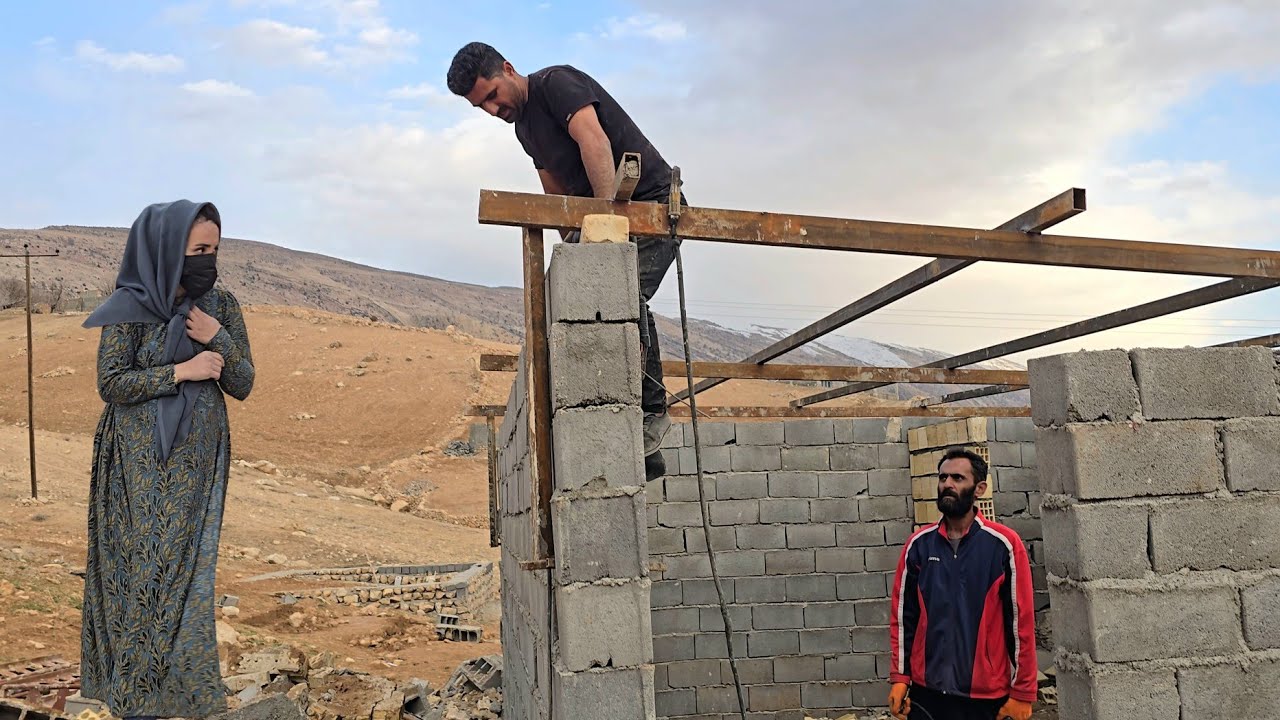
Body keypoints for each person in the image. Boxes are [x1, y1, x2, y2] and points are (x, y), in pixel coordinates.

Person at [446, 41, 679, 458]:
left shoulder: (556, 84)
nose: (493, 111)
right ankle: (648, 449)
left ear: (508, 68)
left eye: (493, 96)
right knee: (601, 298)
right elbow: (553, 193)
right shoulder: (524, 130)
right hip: (610, 218)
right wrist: (572, 250)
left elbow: (594, 142)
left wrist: (606, 226)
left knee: (619, 293)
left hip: (653, 206)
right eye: (482, 107)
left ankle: (653, 413)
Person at [79, 200, 255, 719]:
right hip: (137, 471)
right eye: (199, 249)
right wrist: (183, 371)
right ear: (165, 249)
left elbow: (243, 382)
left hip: (195, 472)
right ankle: (136, 703)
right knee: (141, 578)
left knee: (186, 579)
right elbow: (112, 383)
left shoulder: (221, 305)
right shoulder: (131, 305)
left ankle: (177, 697)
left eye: (215, 250)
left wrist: (215, 339)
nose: (209, 260)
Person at [887, 448, 1037, 720]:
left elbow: (1020, 622)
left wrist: (1023, 693)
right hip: (927, 693)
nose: (947, 484)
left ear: (979, 488)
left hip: (985, 697)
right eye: (943, 477)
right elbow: (902, 617)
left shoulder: (1003, 545)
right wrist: (900, 677)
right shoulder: (918, 545)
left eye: (958, 478)